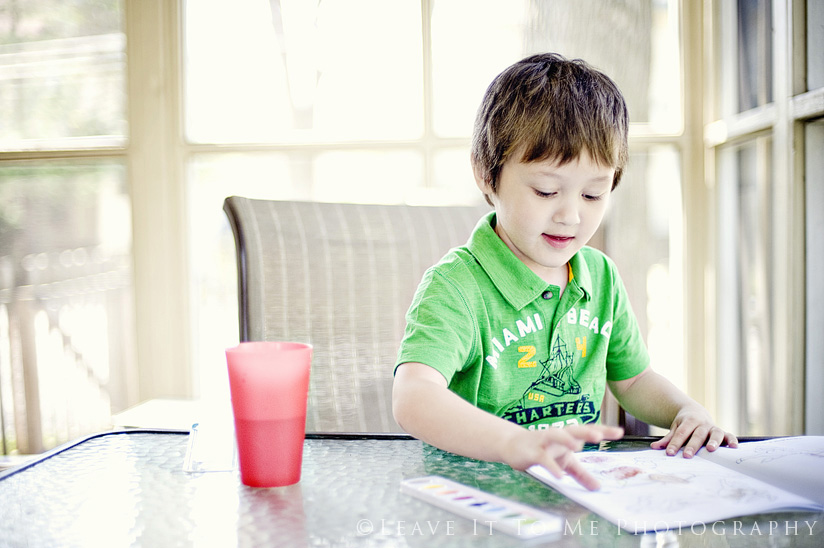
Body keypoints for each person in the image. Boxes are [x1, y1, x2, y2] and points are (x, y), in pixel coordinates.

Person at [392, 53, 737, 491]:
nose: (571, 216)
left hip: (579, 496)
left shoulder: (600, 275)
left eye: (594, 195)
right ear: (487, 174)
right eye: (546, 190)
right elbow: (413, 396)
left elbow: (633, 379)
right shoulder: (457, 286)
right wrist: (512, 442)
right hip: (481, 501)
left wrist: (685, 411)